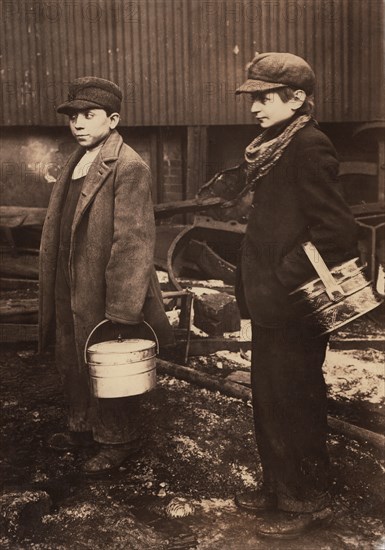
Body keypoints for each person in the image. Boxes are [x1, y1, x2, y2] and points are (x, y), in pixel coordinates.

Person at [233, 53, 358, 538]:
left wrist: (283, 277)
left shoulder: (308, 145)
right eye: (253, 99)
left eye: (264, 98)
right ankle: (278, 487)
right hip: (272, 306)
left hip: (293, 306)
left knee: (297, 400)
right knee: (269, 399)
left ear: (298, 98)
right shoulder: (275, 146)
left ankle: (309, 498)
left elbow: (337, 231)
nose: (255, 109)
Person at [39, 77, 174, 475]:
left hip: (105, 285)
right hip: (70, 277)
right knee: (71, 353)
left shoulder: (128, 166)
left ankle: (118, 441)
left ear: (112, 120)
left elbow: (132, 242)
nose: (78, 123)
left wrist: (122, 308)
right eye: (73, 116)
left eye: (89, 115)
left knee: (107, 361)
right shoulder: (76, 160)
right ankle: (83, 426)